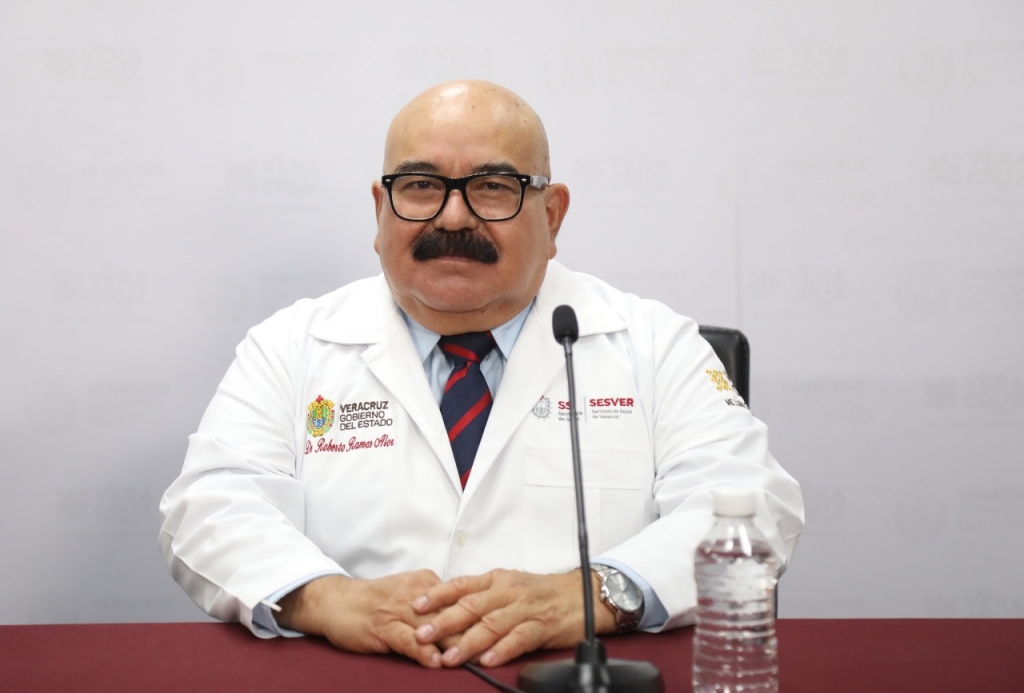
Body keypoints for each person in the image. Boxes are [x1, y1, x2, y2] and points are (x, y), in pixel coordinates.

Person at [159, 80, 804, 670]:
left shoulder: (654, 344)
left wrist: (593, 595)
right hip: (356, 676)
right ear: (380, 210)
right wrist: (328, 600)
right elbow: (211, 506)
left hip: (576, 677)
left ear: (552, 215)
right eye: (420, 185)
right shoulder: (290, 346)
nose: (452, 217)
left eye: (493, 186)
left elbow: (752, 509)